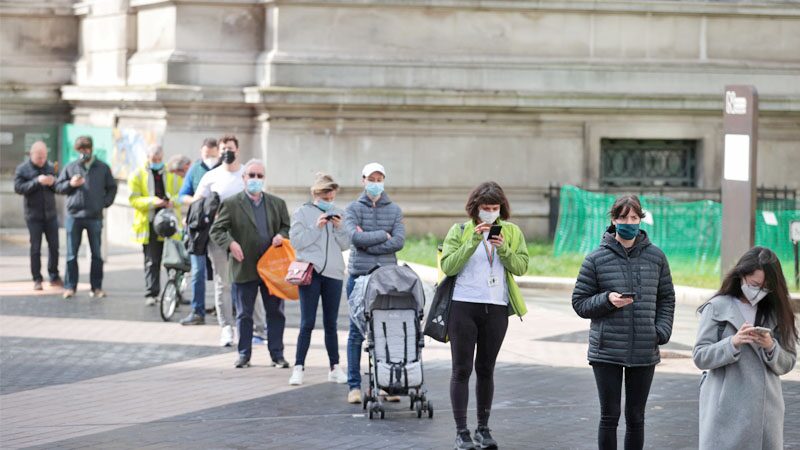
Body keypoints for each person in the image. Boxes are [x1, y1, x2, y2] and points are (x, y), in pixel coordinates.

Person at [571, 194, 675, 450]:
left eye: (634, 217)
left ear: (641, 219)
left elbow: (667, 298)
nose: (629, 222)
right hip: (606, 350)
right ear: (614, 220)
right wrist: (607, 300)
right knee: (609, 416)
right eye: (624, 217)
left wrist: (660, 332)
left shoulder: (656, 257)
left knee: (636, 417)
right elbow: (580, 303)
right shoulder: (595, 258)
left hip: (644, 347)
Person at [439, 181, 529, 450]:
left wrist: (502, 247)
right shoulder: (460, 230)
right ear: (475, 208)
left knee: (486, 369)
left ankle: (483, 428)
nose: (490, 213)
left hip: (496, 308)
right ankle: (461, 431)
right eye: (485, 208)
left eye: (495, 208)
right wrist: (473, 241)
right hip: (463, 306)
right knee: (462, 369)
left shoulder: (511, 231)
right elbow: (448, 266)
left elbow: (521, 266)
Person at [693, 246, 798, 450]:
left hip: (765, 413)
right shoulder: (717, 307)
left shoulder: (777, 312)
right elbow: (700, 356)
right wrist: (732, 343)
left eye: (766, 286)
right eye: (754, 284)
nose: (759, 291)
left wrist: (770, 346)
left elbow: (788, 362)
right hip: (724, 410)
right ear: (741, 276)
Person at [209, 159, 291, 368]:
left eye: (259, 176)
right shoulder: (232, 203)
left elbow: (286, 227)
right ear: (244, 178)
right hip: (244, 266)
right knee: (244, 313)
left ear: (264, 179)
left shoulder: (277, 203)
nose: (255, 179)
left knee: (275, 312)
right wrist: (231, 244)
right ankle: (244, 354)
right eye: (251, 175)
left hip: (271, 268)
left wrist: (281, 236)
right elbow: (216, 230)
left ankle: (277, 354)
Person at [193, 135, 267, 346]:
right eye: (223, 148)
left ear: (238, 150)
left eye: (230, 148)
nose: (227, 152)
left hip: (246, 237)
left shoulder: (248, 173)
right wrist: (209, 208)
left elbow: (261, 201)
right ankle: (226, 327)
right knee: (222, 283)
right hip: (218, 236)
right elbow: (197, 203)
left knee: (251, 280)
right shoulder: (211, 176)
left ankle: (259, 329)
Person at [343, 162, 405, 404]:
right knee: (356, 333)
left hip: (386, 278)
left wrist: (369, 241)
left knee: (386, 332)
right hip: (359, 276)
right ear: (363, 180)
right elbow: (355, 238)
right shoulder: (352, 209)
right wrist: (382, 235)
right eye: (371, 178)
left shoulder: (395, 209)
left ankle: (384, 386)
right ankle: (354, 386)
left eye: (379, 179)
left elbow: (399, 241)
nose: (375, 183)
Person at [288, 173, 350, 386]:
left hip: (333, 273)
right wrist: (317, 227)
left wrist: (340, 228)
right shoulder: (302, 212)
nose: (329, 199)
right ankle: (298, 367)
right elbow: (297, 242)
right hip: (311, 272)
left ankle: (335, 367)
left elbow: (345, 245)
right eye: (325, 194)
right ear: (316, 193)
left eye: (332, 195)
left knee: (331, 323)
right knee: (307, 323)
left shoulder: (340, 214)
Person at [55, 136, 118, 299]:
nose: (83, 153)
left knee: (96, 254)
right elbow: (58, 187)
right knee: (71, 254)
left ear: (91, 148)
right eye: (80, 150)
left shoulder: (102, 167)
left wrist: (104, 203)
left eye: (86, 149)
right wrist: (71, 184)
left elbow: (112, 188)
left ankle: (96, 287)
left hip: (94, 216)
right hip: (74, 216)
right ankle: (70, 287)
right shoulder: (71, 167)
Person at [128, 145, 184, 306]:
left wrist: (172, 201)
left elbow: (182, 194)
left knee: (175, 261)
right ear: (148, 157)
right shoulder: (137, 175)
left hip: (170, 223)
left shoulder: (171, 174)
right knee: (152, 261)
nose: (157, 162)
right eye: (154, 160)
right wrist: (153, 202)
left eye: (159, 159)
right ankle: (151, 293)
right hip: (150, 224)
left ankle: (176, 294)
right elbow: (134, 199)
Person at [177, 138, 220, 325]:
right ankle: (197, 311)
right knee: (198, 271)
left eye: (212, 155)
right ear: (201, 152)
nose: (209, 158)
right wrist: (197, 201)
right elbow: (182, 196)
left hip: (219, 227)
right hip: (198, 227)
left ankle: (225, 309)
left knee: (223, 272)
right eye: (206, 155)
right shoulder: (195, 169)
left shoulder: (225, 170)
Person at [14, 141, 62, 291]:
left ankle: (54, 275)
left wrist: (51, 182)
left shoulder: (50, 167)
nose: (42, 160)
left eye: (44, 157)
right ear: (32, 154)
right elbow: (18, 188)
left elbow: (59, 186)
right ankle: (37, 278)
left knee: (54, 246)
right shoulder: (23, 169)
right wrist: (37, 181)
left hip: (51, 215)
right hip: (33, 216)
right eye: (39, 157)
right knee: (35, 248)